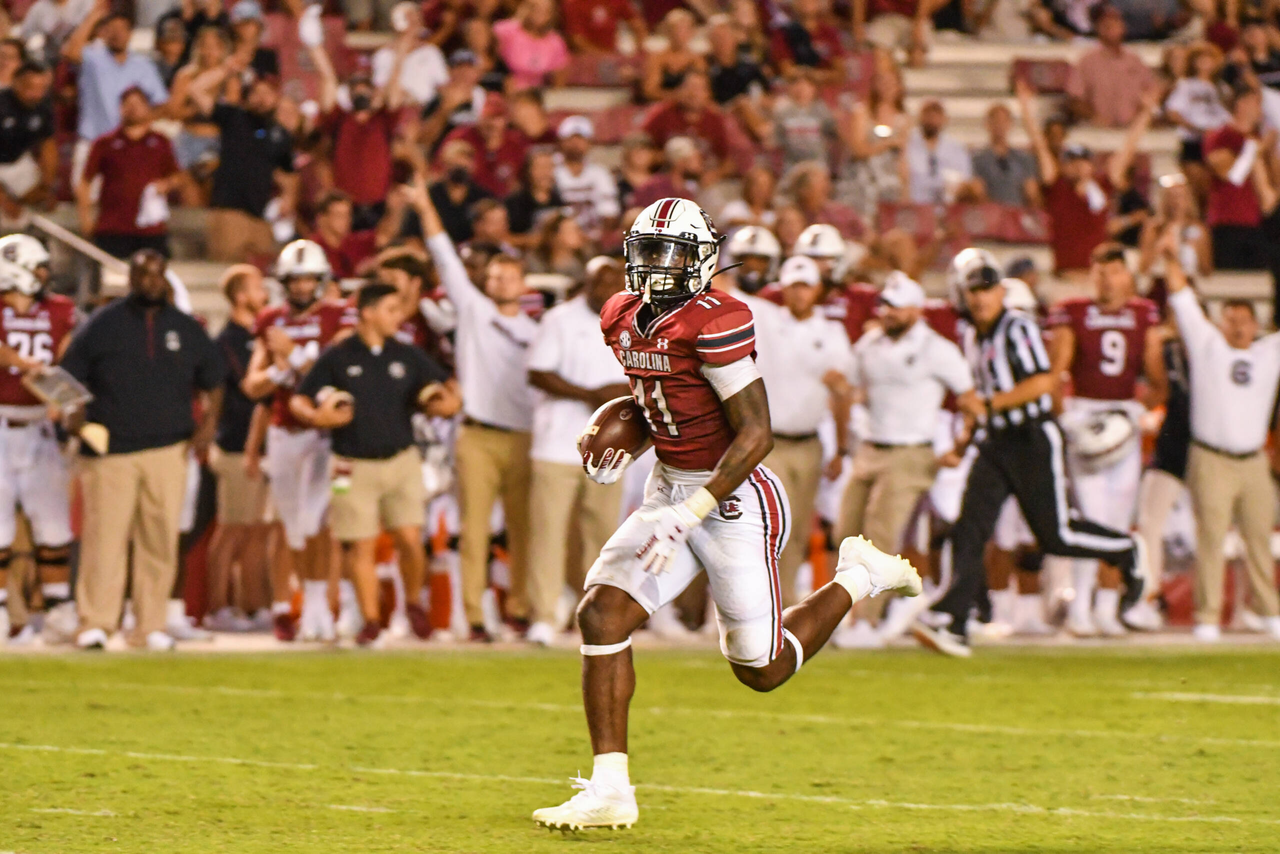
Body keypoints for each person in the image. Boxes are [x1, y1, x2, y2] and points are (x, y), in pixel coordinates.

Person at [531, 198, 922, 830]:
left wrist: (691, 513)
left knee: (762, 671)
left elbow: (755, 434)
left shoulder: (715, 320)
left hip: (733, 498)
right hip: (670, 489)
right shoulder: (622, 315)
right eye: (646, 253)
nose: (654, 268)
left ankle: (858, 576)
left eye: (669, 255)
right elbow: (660, 400)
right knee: (602, 614)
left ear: (700, 261)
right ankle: (610, 789)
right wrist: (623, 433)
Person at [912, 249, 1146, 658]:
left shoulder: (1016, 327)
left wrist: (989, 407)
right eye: (974, 290)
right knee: (970, 528)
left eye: (988, 289)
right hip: (996, 441)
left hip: (1032, 439)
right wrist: (965, 441)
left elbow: (1042, 382)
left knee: (1055, 535)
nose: (981, 298)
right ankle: (954, 617)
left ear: (1001, 291)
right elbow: (981, 398)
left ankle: (1125, 550)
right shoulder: (971, 334)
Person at [61, 249, 224, 651]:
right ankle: (96, 622)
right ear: (131, 277)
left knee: (160, 539)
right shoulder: (102, 325)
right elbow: (68, 376)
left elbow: (214, 379)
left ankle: (150, 625)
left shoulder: (186, 328)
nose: (151, 281)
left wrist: (207, 426)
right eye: (143, 274)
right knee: (105, 539)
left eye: (157, 274)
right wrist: (75, 419)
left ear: (165, 277)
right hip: (111, 449)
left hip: (168, 448)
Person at [292, 282, 457, 645]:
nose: (399, 317)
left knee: (411, 540)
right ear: (367, 312)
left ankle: (413, 602)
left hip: (402, 459)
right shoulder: (338, 356)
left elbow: (446, 387)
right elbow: (300, 399)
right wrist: (318, 417)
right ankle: (370, 618)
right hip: (350, 464)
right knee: (360, 546)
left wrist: (447, 403)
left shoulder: (407, 354)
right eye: (391, 310)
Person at [411, 176, 537, 642]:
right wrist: (426, 207)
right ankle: (476, 616)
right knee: (475, 530)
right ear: (484, 282)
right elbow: (444, 255)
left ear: (524, 283)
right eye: (495, 276)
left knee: (524, 531)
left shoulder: (537, 331)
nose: (502, 281)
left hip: (525, 436)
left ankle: (520, 609)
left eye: (510, 275)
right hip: (478, 434)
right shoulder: (473, 311)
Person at [839, 271, 975, 643]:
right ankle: (898, 599)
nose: (888, 313)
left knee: (878, 539)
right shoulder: (870, 343)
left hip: (911, 452)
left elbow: (970, 401)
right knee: (845, 533)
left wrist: (959, 448)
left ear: (916, 310)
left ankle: (865, 623)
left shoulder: (937, 348)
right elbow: (852, 387)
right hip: (870, 447)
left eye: (896, 308)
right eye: (885, 306)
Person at [1160, 233, 1280, 642]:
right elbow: (1180, 295)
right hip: (1211, 456)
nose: (1237, 325)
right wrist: (1169, 257)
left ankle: (1269, 612)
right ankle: (1207, 616)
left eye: (1243, 318)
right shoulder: (1208, 345)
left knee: (1259, 540)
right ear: (1221, 321)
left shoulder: (1269, 352)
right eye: (1229, 318)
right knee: (1211, 539)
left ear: (1256, 323)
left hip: (1253, 460)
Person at [1045, 243, 1166, 636]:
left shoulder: (1144, 313)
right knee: (1093, 517)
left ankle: (1106, 608)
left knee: (1118, 521)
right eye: (1099, 272)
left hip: (1123, 418)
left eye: (1113, 271)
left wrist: (1144, 408)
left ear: (1127, 275)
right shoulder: (1073, 311)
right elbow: (1056, 372)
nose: (1107, 279)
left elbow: (1156, 374)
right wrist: (1065, 420)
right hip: (1086, 415)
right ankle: (1080, 605)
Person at [242, 240, 351, 642]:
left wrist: (297, 356)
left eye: (309, 280)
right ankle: (303, 604)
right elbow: (252, 385)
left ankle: (319, 604)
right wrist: (280, 370)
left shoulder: (340, 316)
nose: (303, 288)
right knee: (291, 526)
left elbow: (340, 374)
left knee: (316, 520)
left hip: (327, 435)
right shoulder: (271, 319)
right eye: (296, 280)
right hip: (284, 430)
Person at [524, 257, 630, 646]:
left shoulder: (632, 322)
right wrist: (591, 395)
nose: (606, 287)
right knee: (548, 534)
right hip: (557, 443)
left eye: (614, 281)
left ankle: (596, 613)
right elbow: (537, 371)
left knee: (604, 536)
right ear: (585, 282)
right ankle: (545, 616)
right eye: (600, 280)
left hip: (611, 450)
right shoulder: (559, 320)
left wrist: (615, 396)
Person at [754, 255, 854, 607]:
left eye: (806, 285)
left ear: (818, 289)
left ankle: (781, 605)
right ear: (783, 288)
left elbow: (843, 393)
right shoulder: (765, 320)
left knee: (796, 530)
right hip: (770, 441)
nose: (799, 293)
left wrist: (841, 448)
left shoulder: (831, 332)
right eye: (793, 286)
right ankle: (754, 602)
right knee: (768, 526)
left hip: (809, 441)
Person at [0, 234, 78, 643]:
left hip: (41, 426)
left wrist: (59, 390)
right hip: (1, 422)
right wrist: (21, 362)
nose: (45, 275)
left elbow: (73, 354)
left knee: (53, 524)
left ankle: (57, 608)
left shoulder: (60, 310)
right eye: (38, 267)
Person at [1019, 78, 1152, 276]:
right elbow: (1040, 145)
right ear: (1064, 166)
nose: (1078, 166)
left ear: (1091, 165)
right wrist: (1025, 108)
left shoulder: (1102, 186)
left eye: (1083, 161)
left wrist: (1146, 113)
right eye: (1072, 161)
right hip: (1065, 277)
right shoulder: (1057, 187)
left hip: (1095, 279)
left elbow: (1128, 148)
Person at [204, 265, 273, 632]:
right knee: (231, 529)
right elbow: (247, 389)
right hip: (235, 444)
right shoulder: (228, 340)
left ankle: (253, 604)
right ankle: (218, 607)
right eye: (258, 287)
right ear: (241, 296)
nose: (265, 293)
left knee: (256, 531)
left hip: (261, 444)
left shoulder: (258, 335)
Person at [190, 73, 297, 262]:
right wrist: (226, 68)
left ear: (277, 98)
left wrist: (288, 198)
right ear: (248, 95)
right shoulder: (234, 117)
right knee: (225, 272)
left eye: (268, 93)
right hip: (229, 212)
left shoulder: (280, 133)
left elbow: (289, 174)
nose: (262, 98)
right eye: (257, 92)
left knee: (261, 276)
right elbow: (196, 90)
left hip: (261, 218)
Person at [62, 4, 168, 186]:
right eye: (112, 29)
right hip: (92, 142)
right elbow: (70, 52)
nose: (117, 34)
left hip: (130, 146)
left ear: (130, 33)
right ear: (104, 32)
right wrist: (93, 18)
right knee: (86, 200)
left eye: (122, 29)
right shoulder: (92, 58)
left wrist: (141, 123)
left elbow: (162, 104)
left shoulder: (143, 65)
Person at [76, 87, 180, 259]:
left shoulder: (161, 142)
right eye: (128, 104)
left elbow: (177, 176)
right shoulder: (105, 143)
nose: (133, 108)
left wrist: (166, 185)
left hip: (150, 228)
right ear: (120, 108)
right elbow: (86, 181)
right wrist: (86, 219)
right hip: (113, 227)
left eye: (138, 104)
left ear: (148, 108)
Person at [1065, 4, 1156, 128]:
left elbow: (1151, 93)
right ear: (1098, 28)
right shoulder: (1086, 61)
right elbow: (1075, 99)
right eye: (1106, 24)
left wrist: (1139, 117)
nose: (1111, 27)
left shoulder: (1135, 60)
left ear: (1123, 27)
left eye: (1115, 22)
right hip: (1098, 132)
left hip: (1131, 129)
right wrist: (1095, 117)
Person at [0, 61, 58, 222]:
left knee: (43, 204)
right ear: (16, 83)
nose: (36, 94)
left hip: (19, 160)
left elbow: (48, 147)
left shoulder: (43, 106)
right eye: (31, 88)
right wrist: (3, 198)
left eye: (41, 89)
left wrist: (47, 186)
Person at [904, 99, 982, 205]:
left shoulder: (955, 148)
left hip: (947, 207)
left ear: (944, 119)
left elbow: (965, 179)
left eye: (936, 116)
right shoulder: (908, 144)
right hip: (916, 205)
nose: (932, 120)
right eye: (928, 115)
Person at [554, 116, 621, 236]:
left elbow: (610, 213)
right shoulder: (551, 171)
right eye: (570, 139)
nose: (575, 143)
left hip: (594, 236)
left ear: (590, 143)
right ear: (561, 142)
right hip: (560, 237)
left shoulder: (600, 173)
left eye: (580, 139)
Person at [971, 103, 1040, 208]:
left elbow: (1031, 193)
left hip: (1017, 215)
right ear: (987, 124)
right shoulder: (978, 160)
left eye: (1004, 121)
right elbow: (978, 193)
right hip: (991, 215)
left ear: (1010, 124)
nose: (999, 125)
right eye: (995, 120)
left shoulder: (1024, 159)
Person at [492, 0, 569, 92]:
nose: (539, 14)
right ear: (525, 8)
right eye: (535, 8)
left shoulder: (555, 41)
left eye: (546, 10)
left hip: (538, 93)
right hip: (504, 87)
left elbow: (560, 75)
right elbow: (490, 57)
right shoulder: (505, 30)